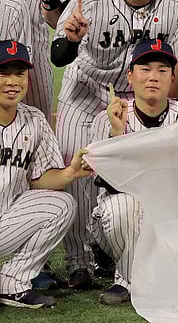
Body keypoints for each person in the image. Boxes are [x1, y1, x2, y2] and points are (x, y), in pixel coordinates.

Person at [51, 0, 178, 288]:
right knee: (81, 170)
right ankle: (78, 262)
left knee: (137, 180)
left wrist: (170, 110)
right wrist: (71, 41)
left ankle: (112, 247)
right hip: (87, 93)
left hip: (143, 99)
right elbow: (58, 56)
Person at [88, 39, 178, 305]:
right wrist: (117, 134)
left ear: (173, 78)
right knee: (124, 206)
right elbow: (107, 183)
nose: (153, 77)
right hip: (120, 218)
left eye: (162, 70)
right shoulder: (107, 119)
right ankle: (127, 280)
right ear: (130, 77)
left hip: (176, 218)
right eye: (145, 69)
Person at [0, 40, 92, 309]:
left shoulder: (34, 119)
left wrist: (71, 172)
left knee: (62, 203)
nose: (12, 82)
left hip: (7, 219)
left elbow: (41, 179)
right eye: (3, 73)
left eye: (19, 73)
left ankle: (12, 282)